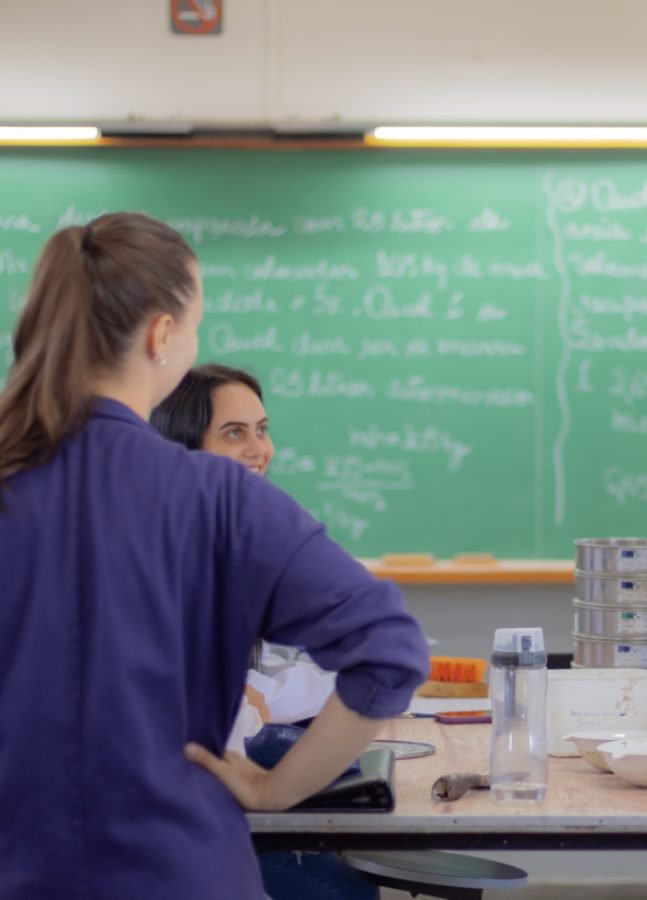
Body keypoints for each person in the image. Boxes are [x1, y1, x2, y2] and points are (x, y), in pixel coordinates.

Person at [0, 212, 429, 900]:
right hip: (186, 874)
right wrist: (273, 786)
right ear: (163, 335)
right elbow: (390, 651)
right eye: (195, 322)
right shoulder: (220, 498)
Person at [152, 363, 380, 900]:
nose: (259, 449)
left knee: (343, 776)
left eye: (262, 429)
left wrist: (265, 693)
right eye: (235, 433)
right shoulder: (168, 556)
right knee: (344, 889)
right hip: (172, 827)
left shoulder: (223, 540)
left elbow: (255, 676)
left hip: (205, 805)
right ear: (184, 448)